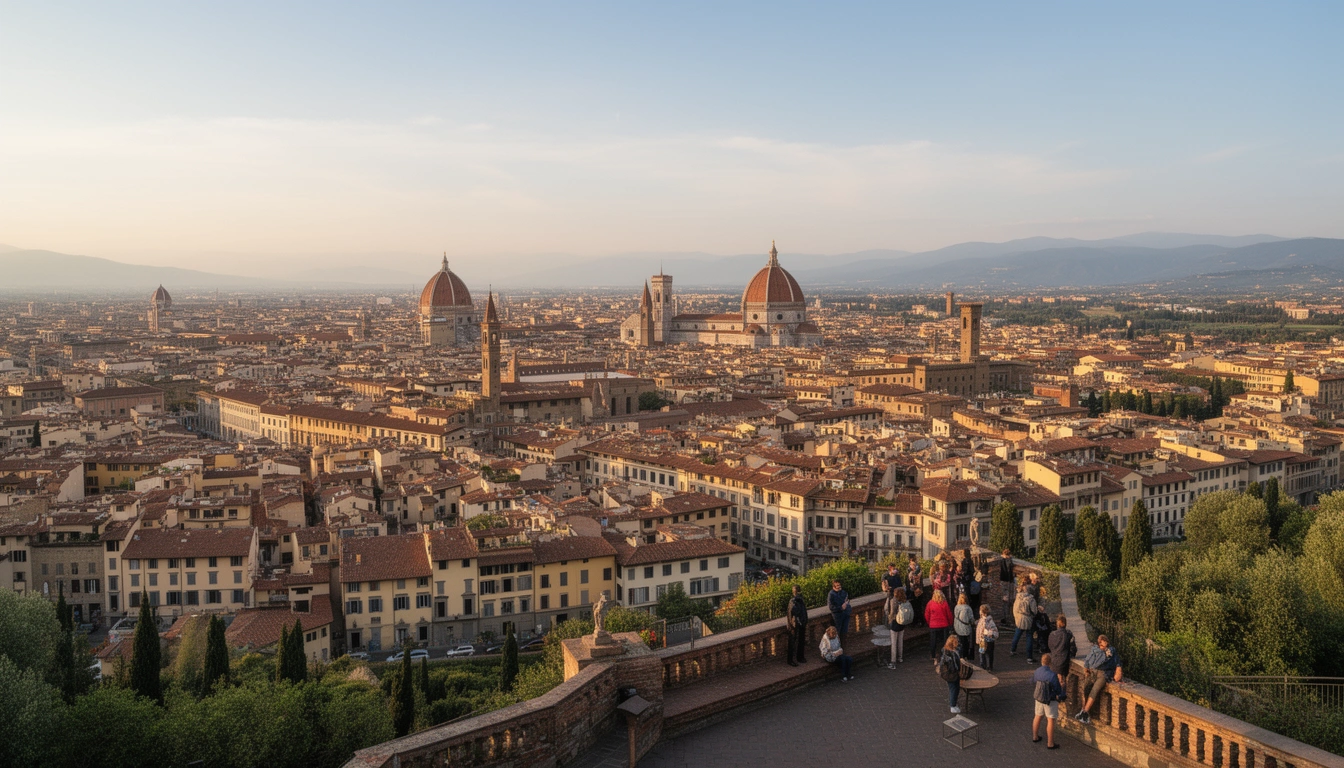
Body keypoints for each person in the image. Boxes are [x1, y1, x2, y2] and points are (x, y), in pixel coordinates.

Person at [1076, 635, 1123, 723]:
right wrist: (1086, 669)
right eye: (1101, 642)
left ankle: (1085, 712)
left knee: (1095, 690)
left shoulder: (1110, 651)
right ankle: (1083, 711)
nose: (1102, 643)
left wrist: (1118, 671)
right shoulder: (1095, 649)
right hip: (1093, 672)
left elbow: (1118, 663)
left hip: (1103, 674)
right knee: (1086, 688)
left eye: (1104, 641)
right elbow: (1087, 660)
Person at [1032, 653, 1066, 749]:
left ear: (1042, 661)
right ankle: (1050, 743)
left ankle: (1035, 736)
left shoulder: (1037, 671)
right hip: (1049, 699)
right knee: (1050, 719)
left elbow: (1033, 681)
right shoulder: (1052, 675)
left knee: (1037, 716)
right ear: (1050, 663)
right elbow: (1058, 690)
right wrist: (1062, 688)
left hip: (1038, 698)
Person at [936, 635, 964, 714]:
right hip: (951, 675)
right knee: (953, 689)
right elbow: (953, 666)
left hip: (950, 674)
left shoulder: (946, 651)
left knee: (955, 688)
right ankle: (953, 705)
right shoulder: (950, 654)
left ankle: (954, 703)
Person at [1010, 584, 1037, 662]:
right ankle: (1029, 657)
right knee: (1029, 636)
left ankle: (1012, 650)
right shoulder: (1031, 599)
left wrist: (1016, 617)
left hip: (1018, 618)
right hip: (1027, 619)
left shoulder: (1018, 597)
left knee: (1017, 634)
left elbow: (1014, 608)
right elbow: (1034, 611)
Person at [1046, 614, 1076, 686]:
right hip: (1064, 661)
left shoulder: (1052, 634)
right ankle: (1061, 694)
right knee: (1062, 680)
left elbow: (1050, 646)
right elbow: (1073, 647)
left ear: (1057, 624)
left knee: (1055, 679)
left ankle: (1055, 694)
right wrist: (1071, 654)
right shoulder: (1068, 634)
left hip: (1054, 660)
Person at [924, 589, 954, 660]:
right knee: (945, 641)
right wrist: (950, 623)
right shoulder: (944, 603)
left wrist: (929, 622)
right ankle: (945, 654)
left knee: (933, 641)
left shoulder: (930, 603)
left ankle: (933, 655)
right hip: (944, 625)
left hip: (933, 625)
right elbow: (949, 614)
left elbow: (926, 614)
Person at [888, 587, 913, 665]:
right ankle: (900, 657)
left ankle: (893, 661)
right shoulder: (905, 600)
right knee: (900, 641)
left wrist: (889, 620)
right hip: (902, 622)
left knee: (894, 643)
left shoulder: (894, 601)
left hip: (895, 622)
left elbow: (892, 613)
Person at [785, 584, 808, 666]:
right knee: (792, 642)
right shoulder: (793, 601)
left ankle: (800, 657)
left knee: (801, 640)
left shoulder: (800, 600)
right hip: (794, 624)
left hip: (801, 623)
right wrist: (792, 624)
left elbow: (803, 612)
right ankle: (790, 660)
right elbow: (792, 614)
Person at [975, 603, 999, 671]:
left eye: (980, 610)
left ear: (983, 612)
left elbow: (995, 632)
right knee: (982, 653)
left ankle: (989, 666)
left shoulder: (990, 621)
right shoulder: (981, 620)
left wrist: (988, 632)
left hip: (989, 640)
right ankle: (983, 666)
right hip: (982, 640)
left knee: (989, 654)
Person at [953, 593, 975, 661]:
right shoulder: (968, 608)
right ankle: (966, 655)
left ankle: (960, 654)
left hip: (957, 627)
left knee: (960, 641)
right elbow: (971, 618)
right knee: (966, 642)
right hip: (965, 627)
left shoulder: (956, 607)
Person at [998, 548, 1015, 622]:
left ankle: (1006, 616)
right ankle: (1006, 617)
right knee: (1006, 600)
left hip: (1006, 581)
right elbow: (1007, 571)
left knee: (1006, 600)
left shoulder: (1006, 560)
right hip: (1005, 581)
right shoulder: (1003, 561)